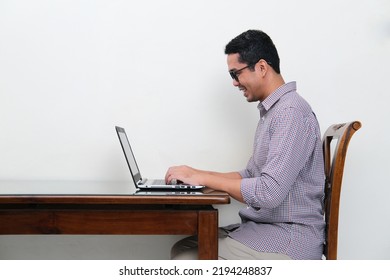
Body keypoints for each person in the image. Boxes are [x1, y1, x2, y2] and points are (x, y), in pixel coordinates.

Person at [165, 30, 325, 260]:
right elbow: (251, 174)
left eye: (235, 73)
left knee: (187, 258)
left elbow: (268, 193)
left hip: (288, 241)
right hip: (269, 230)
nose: (233, 82)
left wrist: (203, 179)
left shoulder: (290, 113)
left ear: (261, 67)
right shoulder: (274, 112)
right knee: (183, 247)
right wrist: (197, 175)